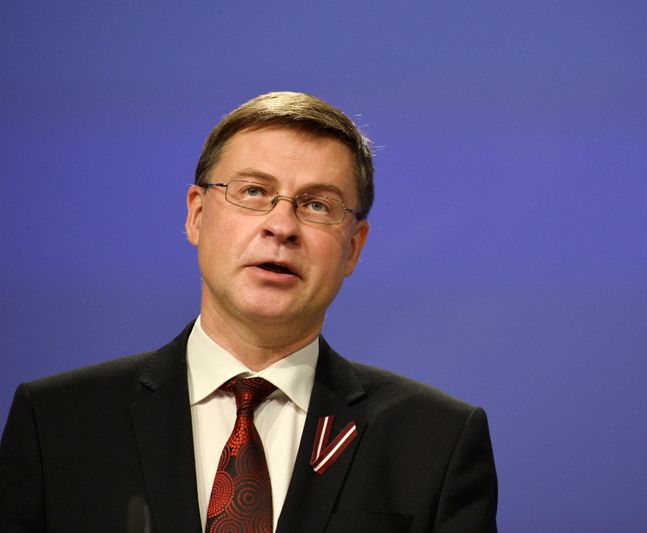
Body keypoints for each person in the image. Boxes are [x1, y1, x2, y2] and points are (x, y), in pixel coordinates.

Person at [0, 91, 497, 532]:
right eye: (254, 192)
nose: (282, 226)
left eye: (318, 205)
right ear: (196, 214)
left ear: (353, 247)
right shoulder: (57, 424)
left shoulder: (435, 443)